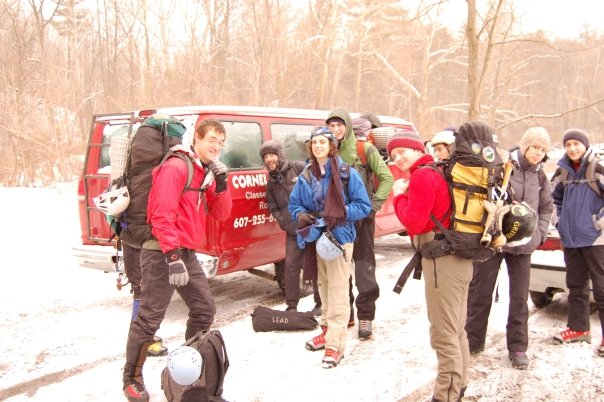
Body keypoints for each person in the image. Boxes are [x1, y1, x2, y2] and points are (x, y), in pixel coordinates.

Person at [121, 119, 232, 402]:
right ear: (196, 138)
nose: (216, 147)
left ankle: (187, 370)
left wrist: (221, 184)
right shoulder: (177, 167)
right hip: (161, 252)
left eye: (221, 142)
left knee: (204, 309)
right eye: (211, 140)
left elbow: (220, 214)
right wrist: (172, 257)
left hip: (185, 252)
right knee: (149, 319)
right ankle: (131, 379)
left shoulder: (201, 171)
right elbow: (160, 214)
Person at [388, 130, 472, 402]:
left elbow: (413, 222)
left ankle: (445, 396)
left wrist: (399, 195)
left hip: (442, 264)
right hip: (457, 261)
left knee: (444, 332)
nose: (397, 157)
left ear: (416, 149)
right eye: (392, 154)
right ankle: (459, 384)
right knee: (456, 329)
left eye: (402, 151)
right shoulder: (435, 170)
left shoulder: (423, 175)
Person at [465, 127, 554, 369]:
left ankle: (517, 347)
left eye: (543, 150)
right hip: (495, 240)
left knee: (519, 298)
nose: (538, 153)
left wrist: (538, 234)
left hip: (523, 246)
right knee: (480, 291)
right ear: (525, 145)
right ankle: (472, 340)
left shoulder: (540, 176)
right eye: (535, 147)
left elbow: (547, 207)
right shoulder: (503, 165)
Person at [289, 126, 370, 368]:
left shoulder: (346, 174)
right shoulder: (306, 174)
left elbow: (363, 206)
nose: (318, 146)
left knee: (337, 293)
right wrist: (301, 214)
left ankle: (335, 345)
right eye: (314, 142)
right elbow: (294, 204)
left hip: (339, 238)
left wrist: (339, 213)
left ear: (331, 145)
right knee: (322, 289)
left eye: (323, 142)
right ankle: (326, 331)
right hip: (315, 238)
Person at [326, 109, 394, 340]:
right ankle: (347, 314)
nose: (335, 130)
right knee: (340, 270)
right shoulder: (327, 150)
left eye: (339, 125)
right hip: (336, 220)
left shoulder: (364, 149)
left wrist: (372, 207)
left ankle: (366, 316)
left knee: (364, 269)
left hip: (363, 220)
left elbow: (387, 178)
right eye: (331, 126)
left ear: (346, 125)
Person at [551, 128, 604, 358]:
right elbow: (552, 199)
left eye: (576, 144)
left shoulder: (597, 168)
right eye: (568, 144)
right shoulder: (562, 171)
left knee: (602, 289)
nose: (572, 148)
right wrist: (559, 221)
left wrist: (599, 223)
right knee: (575, 286)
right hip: (571, 240)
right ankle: (579, 329)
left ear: (585, 144)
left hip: (596, 240)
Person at [259, 139, 321, 314]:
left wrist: (315, 216)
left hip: (312, 227)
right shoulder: (271, 183)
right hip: (293, 232)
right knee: (291, 267)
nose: (269, 159)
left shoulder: (299, 167)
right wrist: (284, 222)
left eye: (271, 154)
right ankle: (292, 305)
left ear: (279, 154)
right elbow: (273, 207)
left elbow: (318, 188)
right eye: (265, 157)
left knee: (315, 266)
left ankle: (320, 303)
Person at [122, 243, 167, 357]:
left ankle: (142, 340)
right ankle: (141, 343)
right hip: (136, 243)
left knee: (144, 292)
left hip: (143, 245)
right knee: (141, 291)